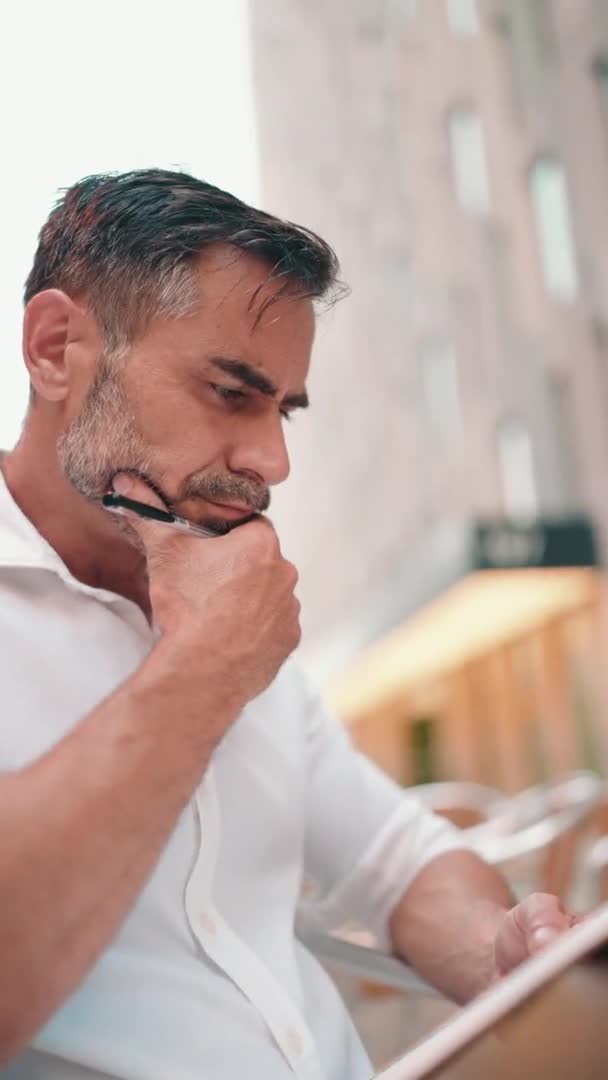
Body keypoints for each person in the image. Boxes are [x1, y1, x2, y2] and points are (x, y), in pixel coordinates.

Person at [0, 170, 573, 1080]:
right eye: (232, 392)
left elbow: (395, 859)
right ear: (56, 346)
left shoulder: (217, 588)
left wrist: (498, 951)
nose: (272, 461)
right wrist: (205, 666)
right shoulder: (226, 633)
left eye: (284, 409)